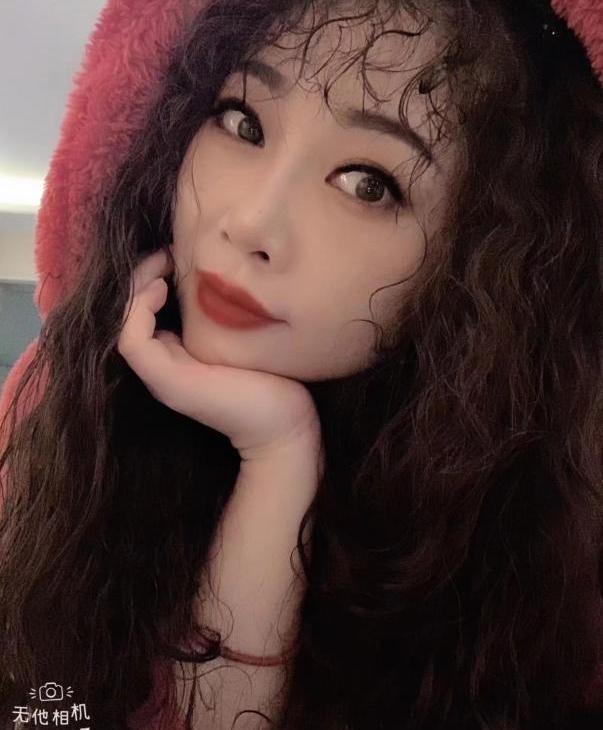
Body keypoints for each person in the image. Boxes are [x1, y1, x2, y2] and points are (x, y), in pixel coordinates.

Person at [0, 0, 601, 728]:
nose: (251, 222)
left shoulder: (545, 542)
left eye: (367, 183)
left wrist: (279, 455)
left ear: (484, 264)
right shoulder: (58, 398)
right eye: (241, 122)